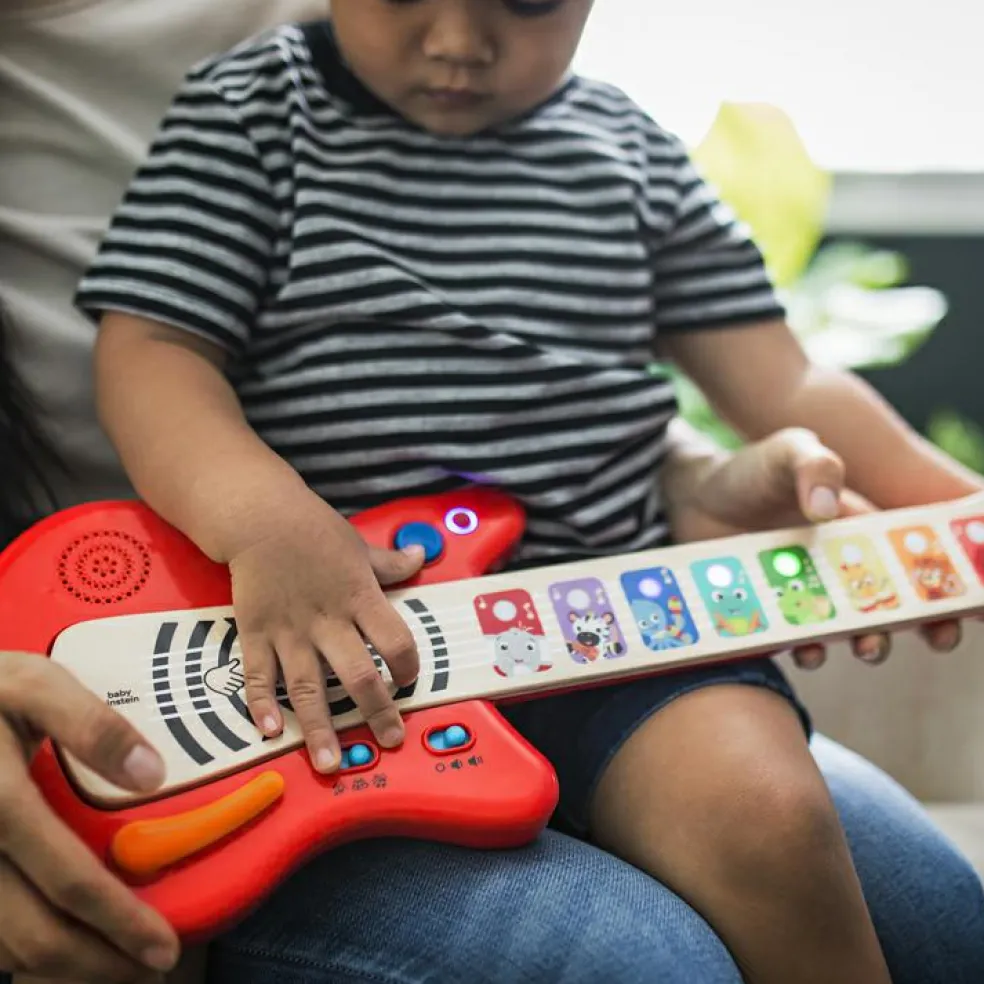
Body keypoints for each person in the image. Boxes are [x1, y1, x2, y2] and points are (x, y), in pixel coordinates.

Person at [1, 1, 983, 982]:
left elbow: (788, 381)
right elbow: (154, 347)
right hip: (351, 669)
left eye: (526, 1)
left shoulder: (631, 148)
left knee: (774, 817)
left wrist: (955, 507)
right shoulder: (248, 111)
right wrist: (262, 522)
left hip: (615, 630)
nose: (459, 44)